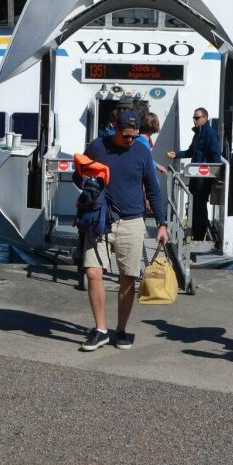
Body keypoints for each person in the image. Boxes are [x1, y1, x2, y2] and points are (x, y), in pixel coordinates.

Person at [76, 109, 169, 352]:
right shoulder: (97, 147)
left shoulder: (140, 151)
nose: (130, 140)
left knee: (128, 277)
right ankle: (100, 330)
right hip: (100, 219)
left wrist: (162, 223)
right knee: (94, 273)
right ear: (115, 128)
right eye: (126, 135)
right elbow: (79, 177)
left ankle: (121, 330)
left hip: (132, 221)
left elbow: (152, 188)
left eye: (134, 135)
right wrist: (89, 179)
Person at [165, 106, 222, 241]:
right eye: (194, 118)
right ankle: (195, 233)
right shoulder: (198, 134)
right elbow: (191, 152)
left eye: (197, 118)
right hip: (196, 177)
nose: (194, 120)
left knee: (199, 206)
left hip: (204, 178)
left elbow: (216, 157)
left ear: (205, 118)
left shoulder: (210, 133)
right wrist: (176, 154)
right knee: (195, 206)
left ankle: (198, 236)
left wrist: (215, 176)